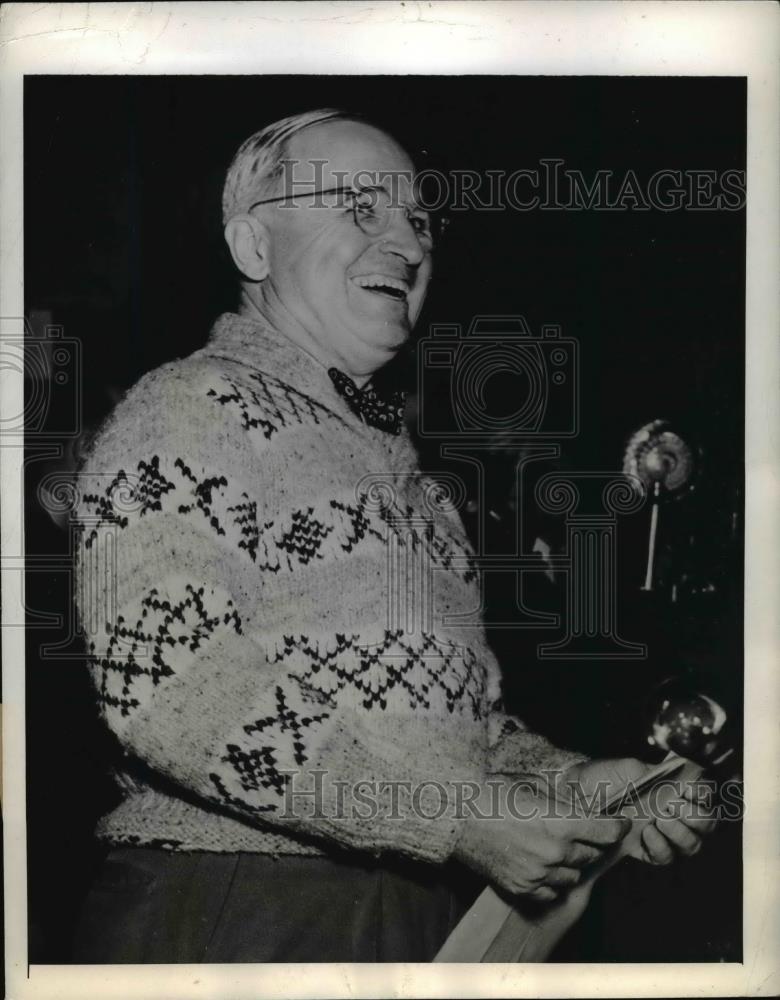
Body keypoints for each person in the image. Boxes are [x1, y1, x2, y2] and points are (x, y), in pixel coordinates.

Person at [72, 109, 714, 963]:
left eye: (418, 219)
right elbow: (166, 684)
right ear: (253, 247)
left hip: (410, 914)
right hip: (238, 912)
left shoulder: (414, 489)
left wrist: (569, 787)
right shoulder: (190, 408)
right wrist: (448, 817)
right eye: (359, 207)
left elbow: (457, 741)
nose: (407, 244)